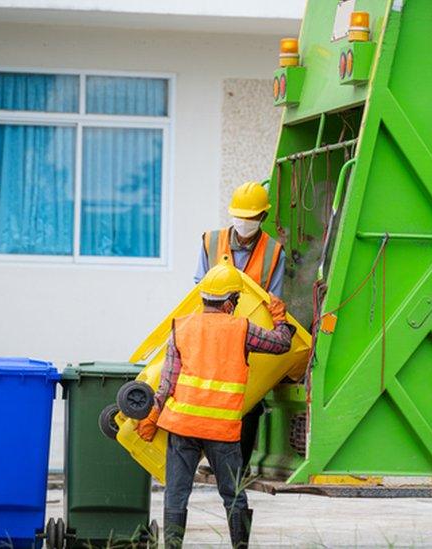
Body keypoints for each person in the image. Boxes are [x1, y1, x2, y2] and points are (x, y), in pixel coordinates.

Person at [136, 260, 294, 548]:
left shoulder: (181, 328)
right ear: (230, 302)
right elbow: (282, 344)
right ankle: (239, 546)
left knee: (176, 492)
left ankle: (172, 546)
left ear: (205, 298)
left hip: (182, 426)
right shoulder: (242, 329)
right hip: (222, 430)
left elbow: (167, 382)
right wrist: (279, 317)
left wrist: (153, 414)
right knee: (232, 493)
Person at [194, 181, 286, 472]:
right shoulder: (211, 241)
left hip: (247, 333)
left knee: (247, 400)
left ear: (262, 217)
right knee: (206, 393)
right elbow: (198, 286)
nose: (244, 223)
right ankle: (210, 458)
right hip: (212, 328)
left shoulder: (273, 252)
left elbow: (274, 298)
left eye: (250, 218)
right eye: (240, 216)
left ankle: (237, 466)